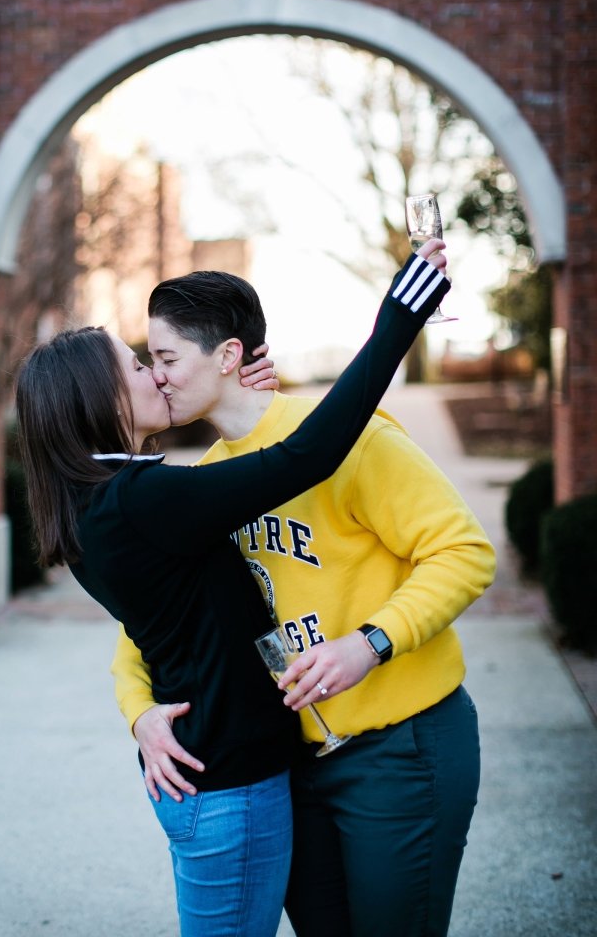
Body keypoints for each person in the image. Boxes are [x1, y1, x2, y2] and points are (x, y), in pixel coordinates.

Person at [14, 244, 451, 937]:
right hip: (229, 788)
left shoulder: (101, 502)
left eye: (160, 359)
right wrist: (400, 317)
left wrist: (238, 389)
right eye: (140, 365)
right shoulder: (141, 500)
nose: (157, 376)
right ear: (98, 398)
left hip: (230, 772)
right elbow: (306, 456)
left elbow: (166, 628)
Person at [111, 257, 496, 937]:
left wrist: (369, 643)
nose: (156, 375)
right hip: (289, 769)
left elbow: (463, 551)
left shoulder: (351, 438)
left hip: (399, 750)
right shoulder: (202, 483)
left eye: (165, 356)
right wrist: (141, 714)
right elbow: (147, 625)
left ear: (228, 356)